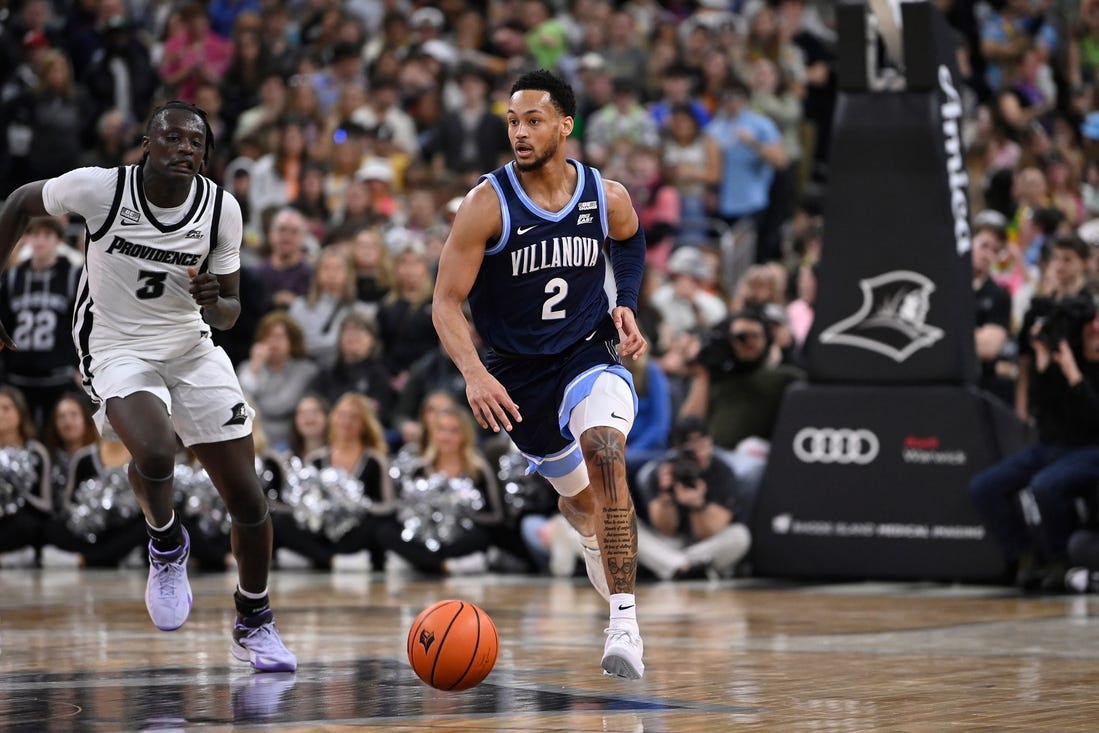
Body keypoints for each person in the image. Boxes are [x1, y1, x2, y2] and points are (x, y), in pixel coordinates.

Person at [0, 101, 296, 671]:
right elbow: (17, 203)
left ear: (206, 155)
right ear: (147, 143)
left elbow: (231, 312)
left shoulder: (221, 210)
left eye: (196, 143)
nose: (185, 148)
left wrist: (220, 299)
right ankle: (165, 540)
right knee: (157, 451)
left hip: (190, 344)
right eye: (173, 138)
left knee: (249, 499)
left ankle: (254, 620)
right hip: (114, 343)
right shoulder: (100, 190)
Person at [432, 69, 649, 679]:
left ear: (564, 125)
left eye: (532, 120)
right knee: (581, 504)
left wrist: (625, 299)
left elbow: (629, 240)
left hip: (588, 348)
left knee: (607, 454)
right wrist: (474, 373)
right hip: (517, 374)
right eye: (512, 121)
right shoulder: (486, 204)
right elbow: (445, 302)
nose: (520, 132)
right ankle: (588, 535)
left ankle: (625, 624)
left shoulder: (605, 195)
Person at [969, 287, 1099, 593]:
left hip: (1090, 449)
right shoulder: (1067, 350)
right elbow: (1045, 408)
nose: (1093, 327)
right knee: (984, 487)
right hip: (1050, 446)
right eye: (1090, 321)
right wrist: (1043, 362)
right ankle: (1025, 555)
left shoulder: (1077, 364)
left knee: (1045, 485)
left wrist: (1074, 375)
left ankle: (1060, 560)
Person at [635, 416, 752, 581]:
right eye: (691, 448)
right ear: (678, 449)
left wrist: (698, 505)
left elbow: (712, 531)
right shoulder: (662, 471)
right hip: (670, 542)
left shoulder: (722, 472)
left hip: (706, 546)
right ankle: (684, 566)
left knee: (740, 536)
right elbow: (665, 529)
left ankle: (669, 565)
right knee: (628, 526)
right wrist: (666, 496)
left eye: (703, 444)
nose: (699, 452)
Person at [0, 215, 81, 433]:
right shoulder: (12, 277)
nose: (39, 241)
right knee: (18, 436)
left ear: (58, 240)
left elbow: (83, 325)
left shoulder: (74, 276)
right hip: (18, 375)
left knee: (57, 438)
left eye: (46, 235)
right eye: (34, 234)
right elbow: (3, 323)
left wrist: (79, 365)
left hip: (58, 374)